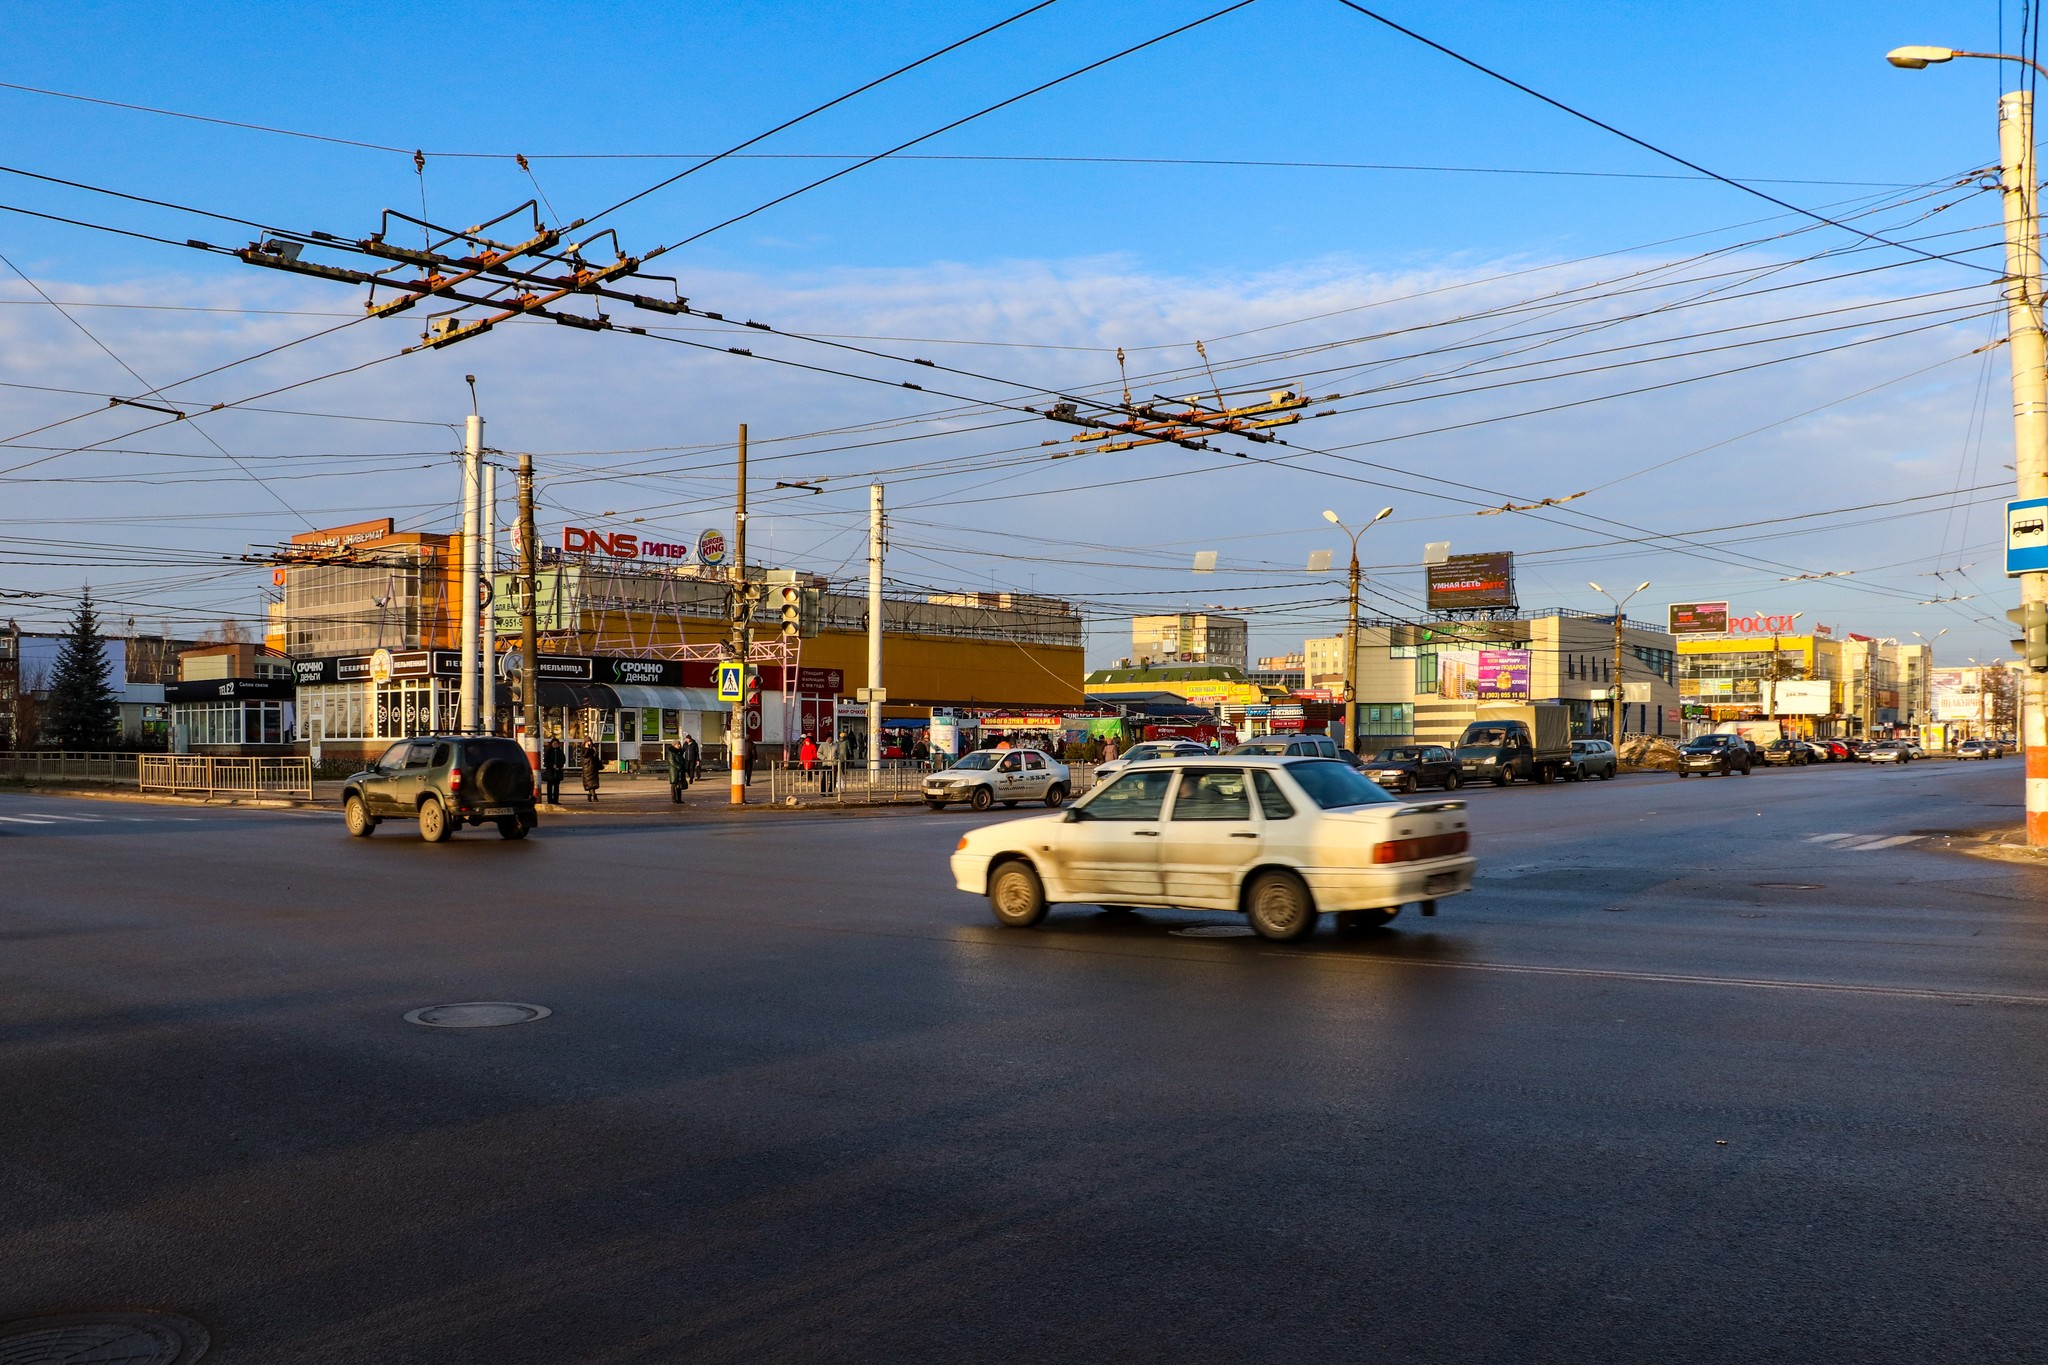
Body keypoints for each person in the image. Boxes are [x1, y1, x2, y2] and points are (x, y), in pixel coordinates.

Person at [542, 735, 565, 805]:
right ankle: (549, 800)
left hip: (558, 771)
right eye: (554, 743)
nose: (555, 744)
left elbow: (563, 760)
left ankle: (555, 800)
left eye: (556, 743)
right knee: (549, 787)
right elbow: (546, 760)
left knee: (556, 787)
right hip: (550, 771)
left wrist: (558, 766)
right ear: (551, 744)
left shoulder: (560, 752)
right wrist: (552, 766)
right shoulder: (548, 751)